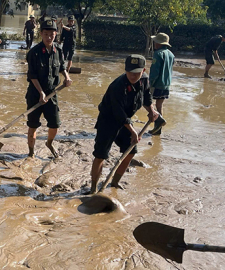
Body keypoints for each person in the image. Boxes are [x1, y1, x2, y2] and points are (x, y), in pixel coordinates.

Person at [89, 55, 159, 193]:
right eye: (130, 72)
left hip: (126, 120)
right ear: (125, 69)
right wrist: (133, 132)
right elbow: (118, 113)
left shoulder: (144, 79)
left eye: (137, 73)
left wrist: (152, 111)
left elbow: (147, 96)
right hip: (108, 121)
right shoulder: (117, 86)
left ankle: (114, 182)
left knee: (130, 151)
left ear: (143, 70)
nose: (133, 76)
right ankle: (93, 188)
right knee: (100, 155)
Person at [26, 18, 72, 158]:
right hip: (35, 93)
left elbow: (62, 67)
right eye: (46, 34)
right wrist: (41, 93)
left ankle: (49, 143)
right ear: (41, 34)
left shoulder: (58, 50)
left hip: (52, 93)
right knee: (33, 125)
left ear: (56, 34)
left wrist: (67, 76)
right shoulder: (33, 52)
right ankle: (31, 153)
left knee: (55, 124)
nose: (49, 37)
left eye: (52, 34)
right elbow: (32, 76)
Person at [149, 32, 174, 135]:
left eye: (155, 41)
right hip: (166, 84)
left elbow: (155, 71)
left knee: (147, 103)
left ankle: (158, 120)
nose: (154, 43)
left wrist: (150, 84)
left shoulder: (158, 54)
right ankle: (158, 130)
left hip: (157, 84)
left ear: (159, 43)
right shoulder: (171, 54)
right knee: (159, 105)